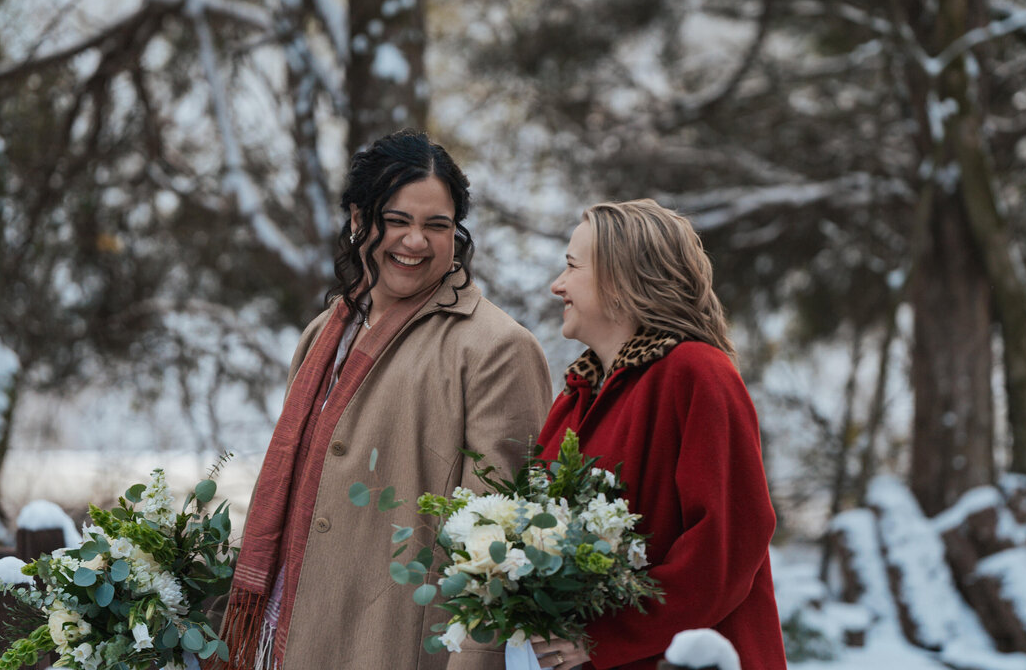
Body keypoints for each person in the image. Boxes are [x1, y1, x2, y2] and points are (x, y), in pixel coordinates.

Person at [211, 130, 553, 670]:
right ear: (357, 221)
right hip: (286, 637)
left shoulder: (497, 348)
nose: (415, 242)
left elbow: (499, 544)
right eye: (397, 221)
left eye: (436, 225)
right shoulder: (325, 331)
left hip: (397, 645)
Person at [531, 200, 786, 670]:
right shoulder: (575, 396)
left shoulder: (698, 374)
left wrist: (604, 635)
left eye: (571, 267)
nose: (557, 285)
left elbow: (724, 548)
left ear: (620, 280)